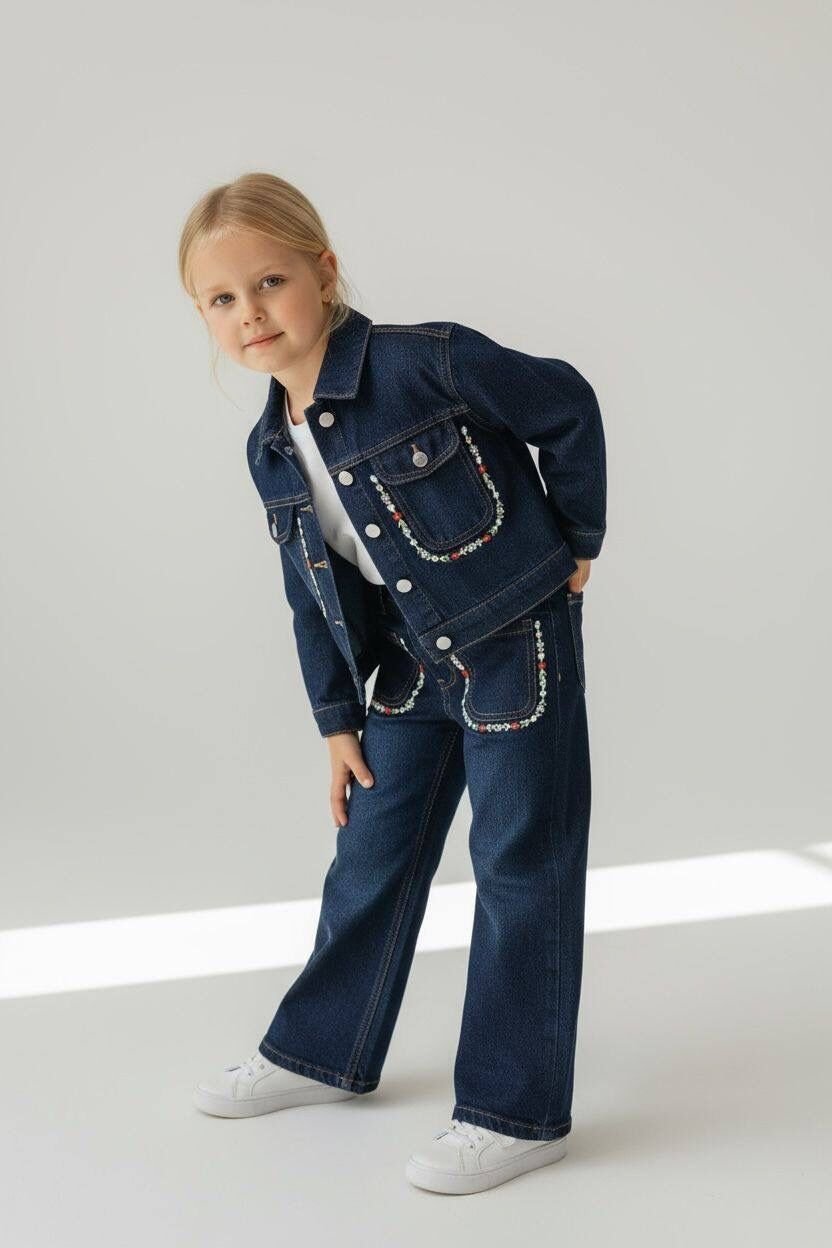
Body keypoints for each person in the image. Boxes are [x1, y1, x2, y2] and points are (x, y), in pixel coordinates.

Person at [179, 172, 607, 1195]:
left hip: (513, 640)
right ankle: (321, 1051)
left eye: (270, 282)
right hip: (410, 665)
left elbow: (565, 404)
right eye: (222, 299)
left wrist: (576, 540)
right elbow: (310, 592)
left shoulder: (427, 362)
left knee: (519, 865)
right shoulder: (270, 449)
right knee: (370, 853)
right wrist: (337, 721)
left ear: (323, 274)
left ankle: (514, 1111)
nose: (251, 313)